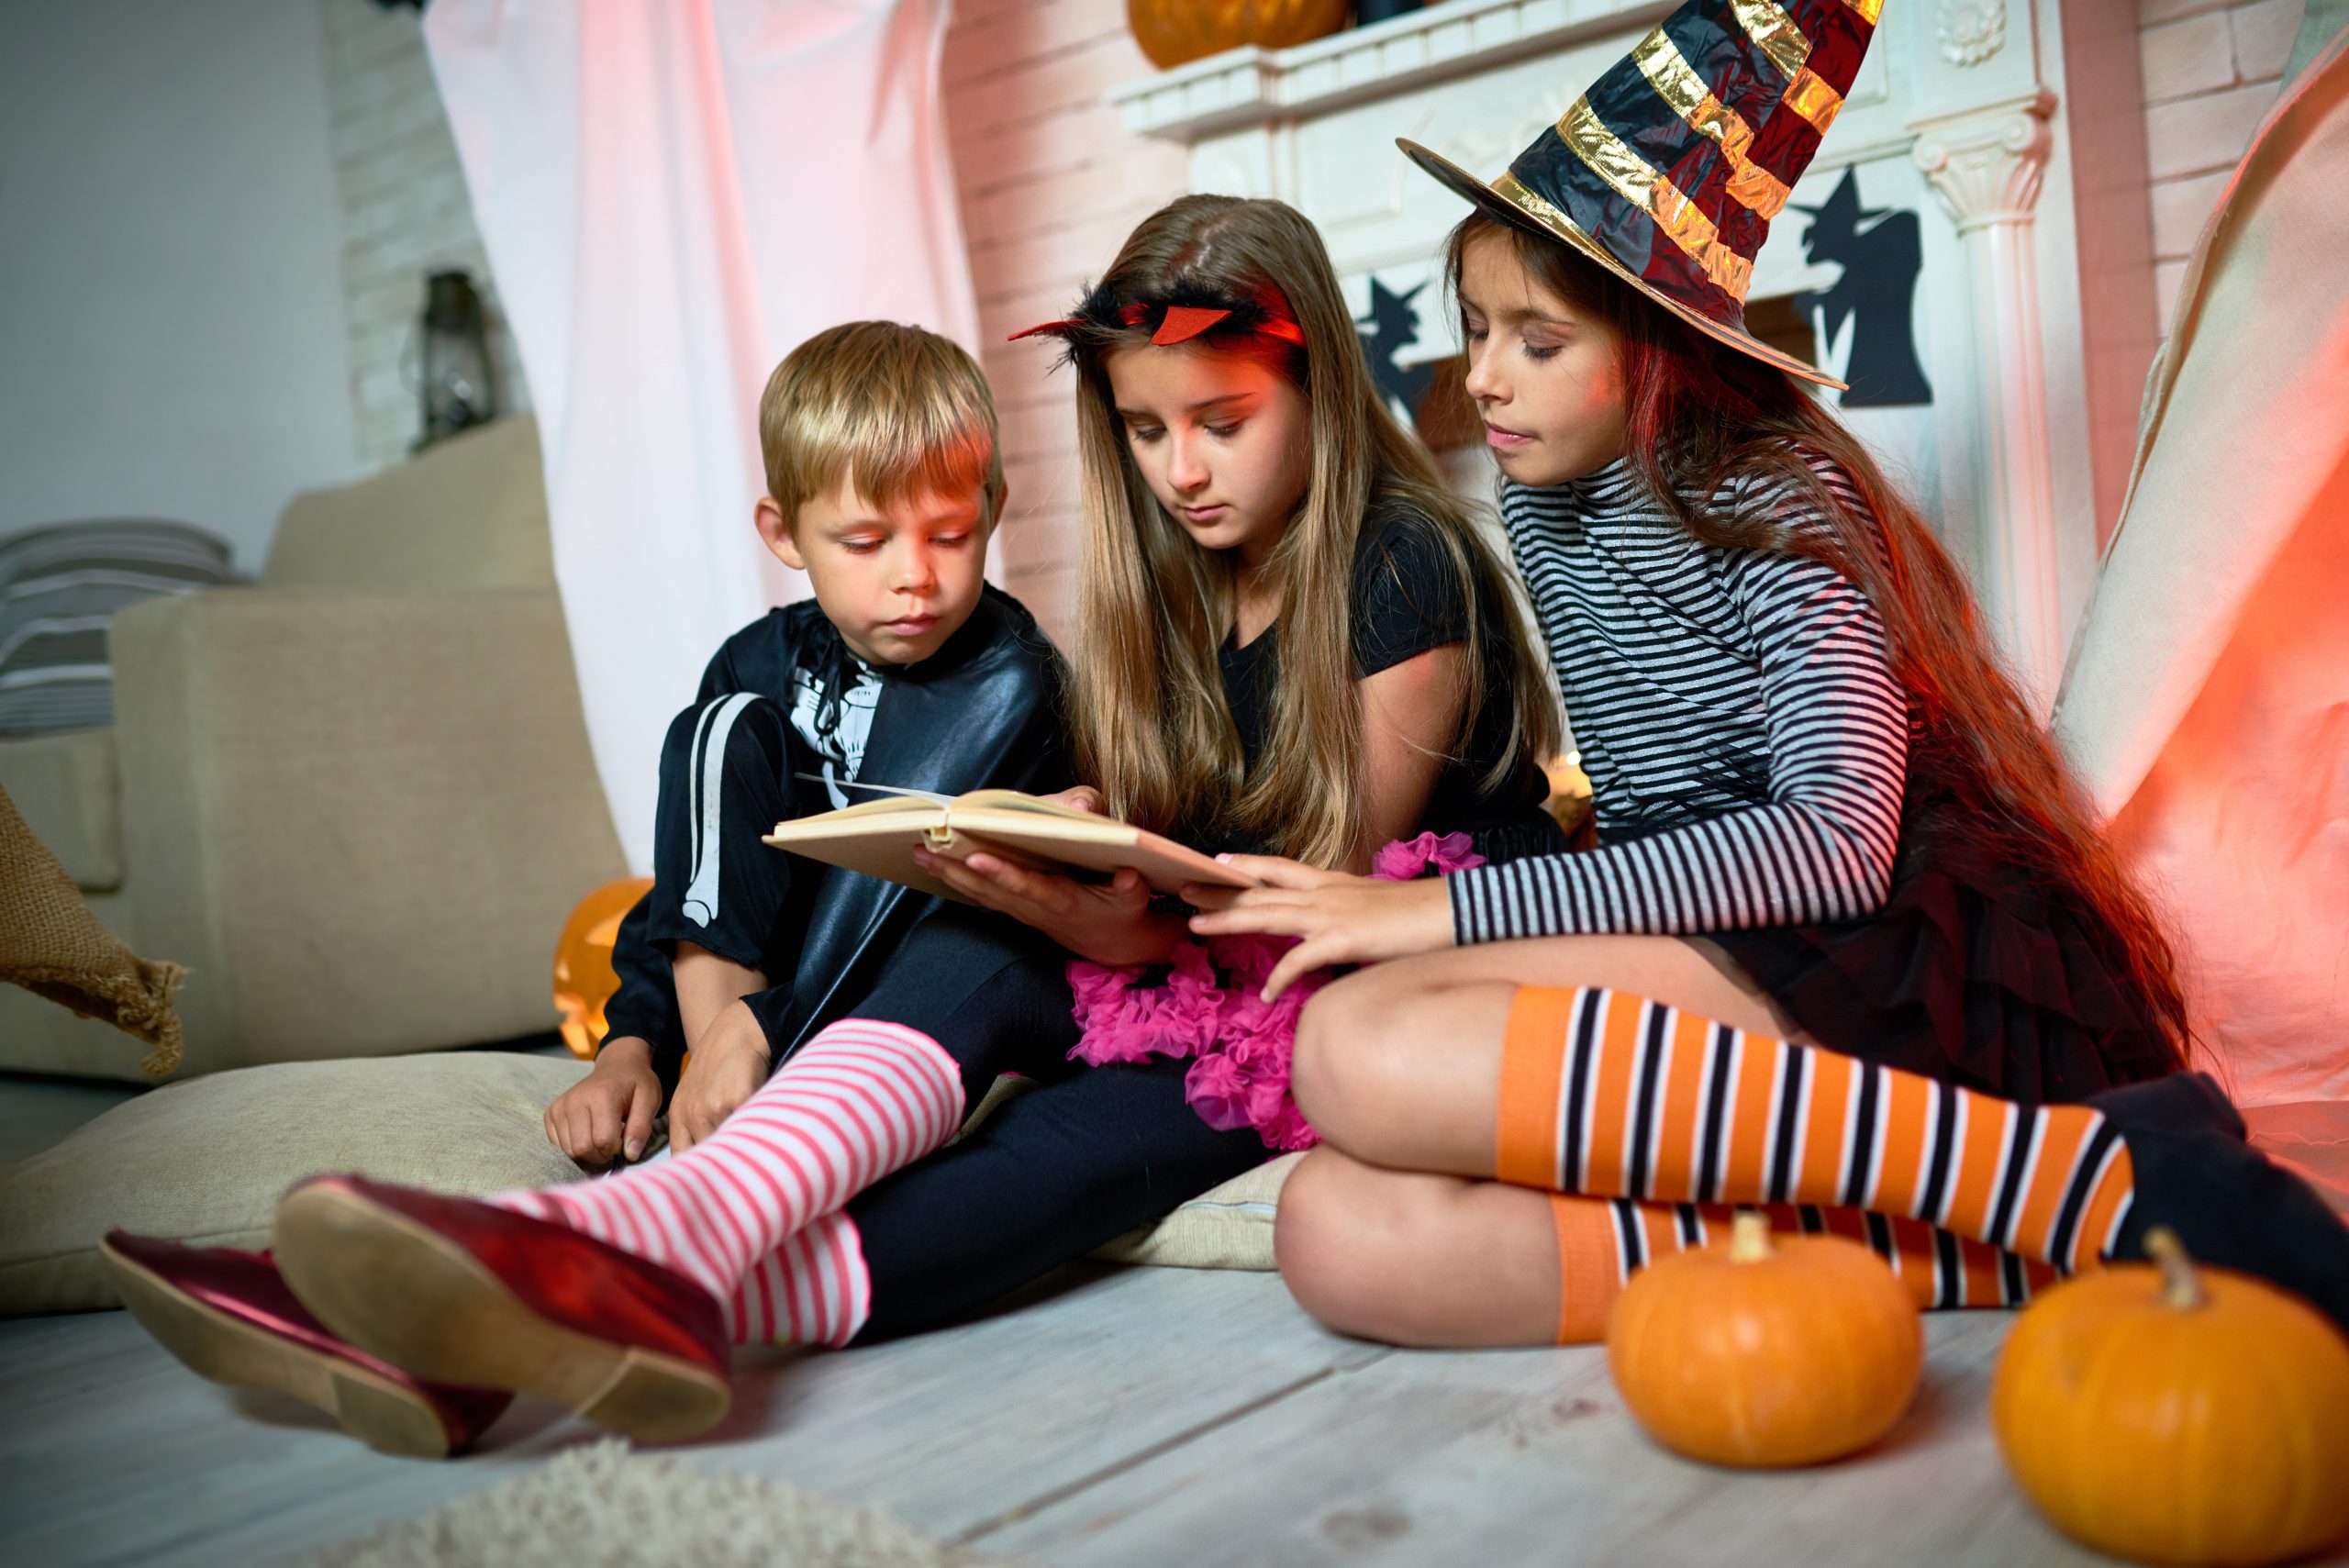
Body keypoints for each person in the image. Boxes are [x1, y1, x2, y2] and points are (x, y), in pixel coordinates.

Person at [108, 195, 1568, 1456]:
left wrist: (1096, 911)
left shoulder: (1402, 567)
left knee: (1051, 1156)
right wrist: (1064, 875)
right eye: (1141, 432)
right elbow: (1167, 889)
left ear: (1320, 394)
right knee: (976, 921)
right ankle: (537, 1293)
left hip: (1358, 967)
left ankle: (529, 1285)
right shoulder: (1176, 581)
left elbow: (1305, 898)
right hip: (1201, 946)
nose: (1180, 468)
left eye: (1222, 424)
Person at [1191, 0, 2349, 1349]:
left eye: (1537, 342)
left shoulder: (1768, 498)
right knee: (1335, 1236)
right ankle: (2004, 1240)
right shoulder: (1546, 504)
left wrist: (1452, 914)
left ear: (1656, 355)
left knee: (1353, 1048)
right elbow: (1646, 796)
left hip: (1886, 949)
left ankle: (2101, 1172)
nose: (1485, 380)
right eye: (1477, 327)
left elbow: (1837, 844)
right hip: (1726, 922)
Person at [100, 319, 1071, 1456]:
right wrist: (633, 1045)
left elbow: (927, 926)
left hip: (882, 1018)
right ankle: (582, 1217)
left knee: (910, 904)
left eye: (952, 534)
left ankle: (492, 1279)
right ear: (785, 534)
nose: (916, 573)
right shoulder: (758, 665)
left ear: (996, 510)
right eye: (865, 539)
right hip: (741, 1018)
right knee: (715, 729)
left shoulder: (1011, 683)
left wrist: (756, 1029)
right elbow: (693, 889)